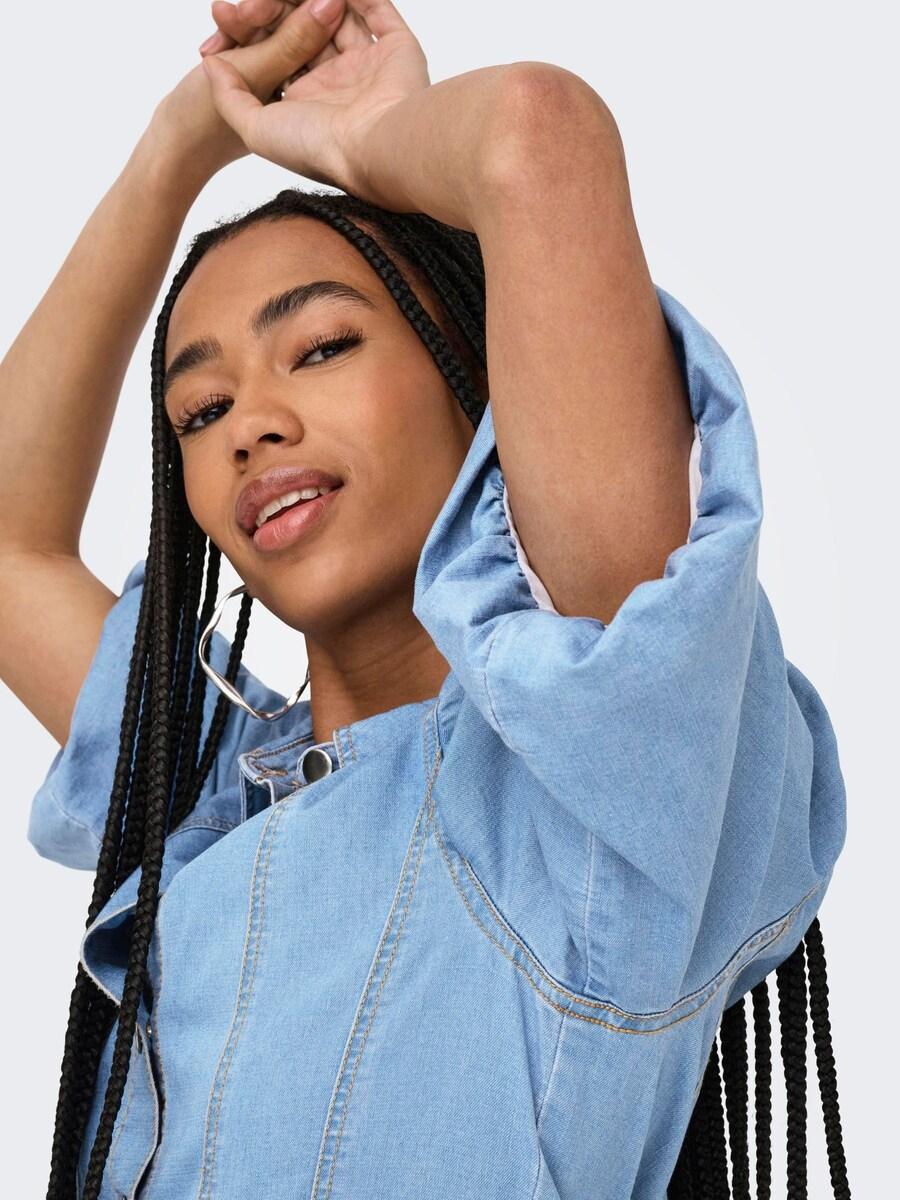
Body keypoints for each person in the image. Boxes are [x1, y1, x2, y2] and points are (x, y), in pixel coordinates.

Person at [0, 2, 851, 1197]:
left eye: (322, 348)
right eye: (201, 411)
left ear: (479, 375)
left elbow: (536, 136)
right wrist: (188, 138)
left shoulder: (595, 796)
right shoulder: (201, 810)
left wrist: (373, 140)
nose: (251, 425)